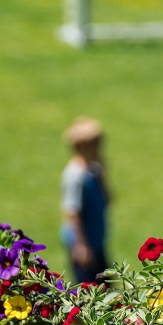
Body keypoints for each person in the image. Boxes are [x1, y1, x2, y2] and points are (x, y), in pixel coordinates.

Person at [60, 117, 110, 284]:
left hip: (96, 238)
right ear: (79, 147)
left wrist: (103, 176)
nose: (98, 149)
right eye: (94, 145)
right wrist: (81, 246)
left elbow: (109, 199)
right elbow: (72, 212)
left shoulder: (94, 170)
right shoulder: (75, 176)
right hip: (84, 242)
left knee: (107, 285)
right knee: (88, 288)